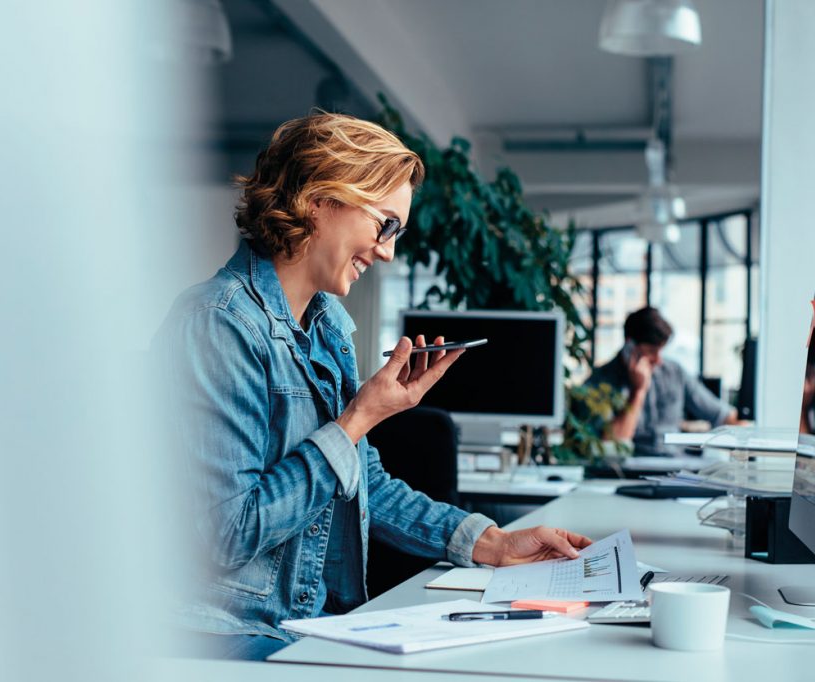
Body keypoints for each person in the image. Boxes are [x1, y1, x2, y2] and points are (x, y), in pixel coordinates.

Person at [154, 113, 592, 661]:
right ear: (319, 198)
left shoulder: (327, 323)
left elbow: (362, 482)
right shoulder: (217, 324)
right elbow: (225, 533)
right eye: (384, 224)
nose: (387, 251)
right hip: (227, 630)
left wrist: (493, 543)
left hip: (312, 623)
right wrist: (358, 418)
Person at [583, 307, 741, 456]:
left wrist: (748, 432)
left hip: (674, 464)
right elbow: (612, 442)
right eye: (651, 351)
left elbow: (721, 415)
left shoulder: (674, 372)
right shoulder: (600, 381)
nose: (658, 360)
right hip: (627, 467)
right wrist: (638, 391)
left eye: (661, 351)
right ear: (630, 345)